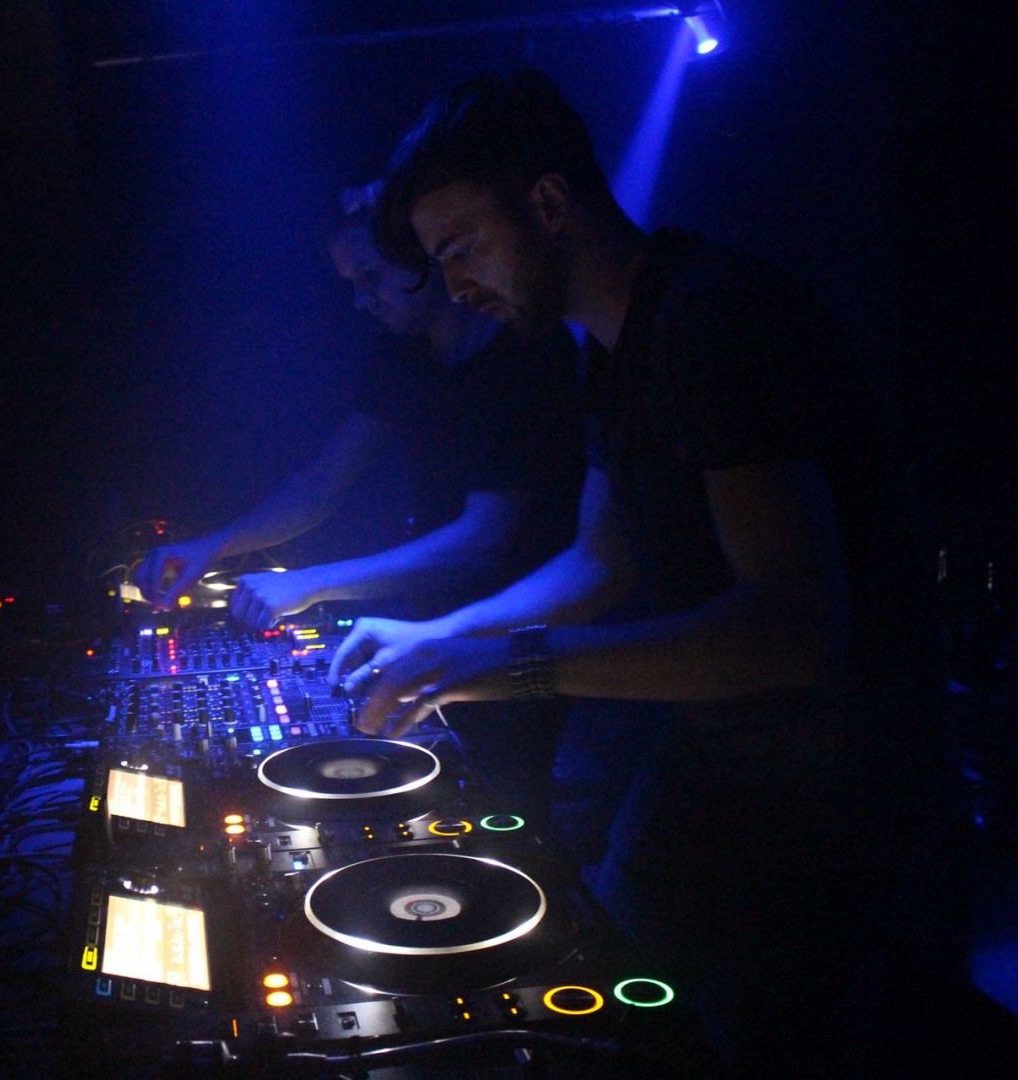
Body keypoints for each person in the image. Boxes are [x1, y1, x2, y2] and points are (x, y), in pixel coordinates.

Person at [329, 70, 947, 1076]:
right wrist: (444, 639)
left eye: (463, 247)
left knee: (749, 1040)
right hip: (723, 743)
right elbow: (599, 561)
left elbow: (791, 629)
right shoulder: (616, 348)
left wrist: (511, 666)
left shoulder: (716, 319)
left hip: (836, 778)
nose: (457, 287)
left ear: (548, 203)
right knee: (609, 998)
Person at [133, 184, 584, 630]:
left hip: (530, 633)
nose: (360, 300)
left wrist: (310, 583)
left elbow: (482, 541)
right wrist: (214, 546)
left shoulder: (526, 352)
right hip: (440, 626)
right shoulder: (405, 351)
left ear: (423, 256)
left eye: (371, 277)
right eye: (352, 284)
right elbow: (323, 482)